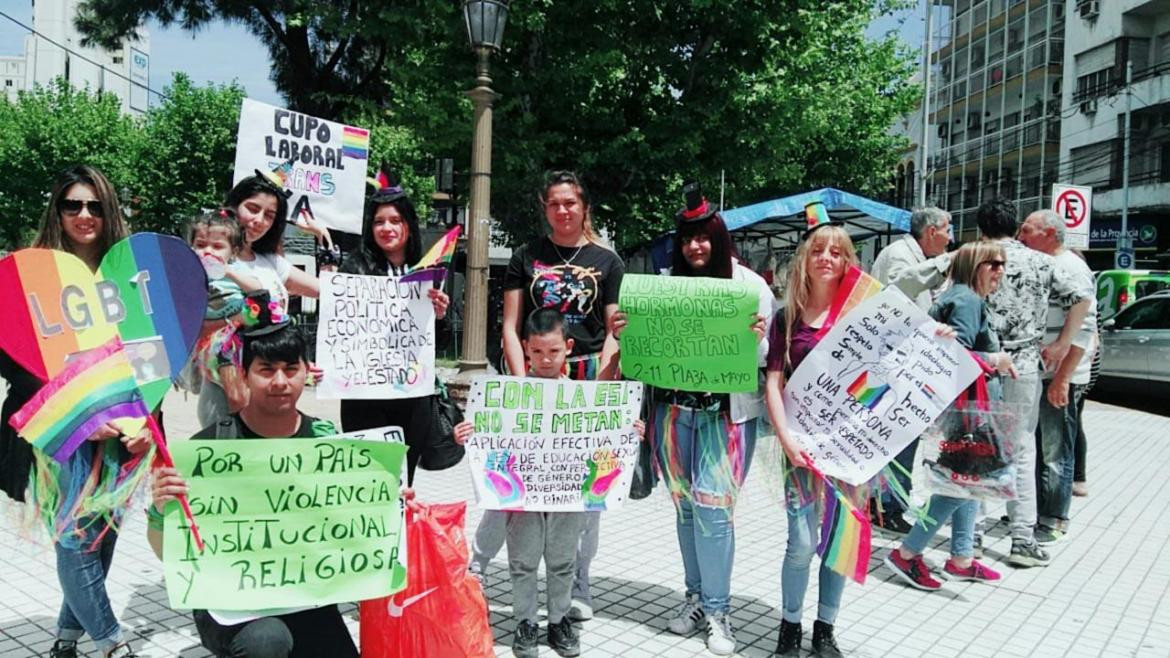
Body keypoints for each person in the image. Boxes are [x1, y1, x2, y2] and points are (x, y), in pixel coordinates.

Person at [609, 182, 771, 655]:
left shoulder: (750, 287)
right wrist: (626, 331)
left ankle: (719, 610)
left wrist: (758, 338)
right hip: (674, 413)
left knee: (714, 513)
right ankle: (695, 597)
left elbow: (765, 358)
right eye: (687, 238)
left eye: (703, 237)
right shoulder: (664, 287)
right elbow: (642, 352)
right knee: (685, 509)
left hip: (726, 418)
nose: (695, 246)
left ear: (719, 238)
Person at [0, 165, 152, 658]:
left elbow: (153, 354)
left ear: (109, 211)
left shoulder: (131, 277)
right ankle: (111, 643)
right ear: (57, 211)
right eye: (73, 205)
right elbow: (14, 361)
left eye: (95, 205)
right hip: (60, 433)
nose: (84, 215)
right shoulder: (30, 275)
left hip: (123, 431)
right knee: (75, 538)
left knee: (102, 537)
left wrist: (144, 421)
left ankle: (65, 640)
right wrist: (80, 415)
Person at [148, 321, 360, 658]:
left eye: (291, 369)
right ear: (244, 375)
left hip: (303, 594)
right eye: (267, 370)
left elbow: (358, 526)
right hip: (230, 603)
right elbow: (166, 553)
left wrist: (392, 507)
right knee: (267, 642)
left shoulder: (326, 443)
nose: (280, 382)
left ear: (307, 372)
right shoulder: (209, 448)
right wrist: (161, 511)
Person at [469, 171, 624, 621]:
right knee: (511, 479)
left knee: (586, 489)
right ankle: (476, 568)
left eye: (570, 203)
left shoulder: (608, 261)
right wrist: (524, 386)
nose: (562, 211)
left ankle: (579, 580)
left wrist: (601, 387)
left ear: (584, 207)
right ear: (545, 207)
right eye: (554, 203)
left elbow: (614, 328)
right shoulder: (525, 256)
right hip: (531, 376)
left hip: (587, 376)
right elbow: (510, 326)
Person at [454, 309, 641, 658]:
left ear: (568, 347)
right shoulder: (507, 398)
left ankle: (558, 621)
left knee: (562, 560)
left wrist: (628, 431)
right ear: (525, 349)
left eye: (553, 351)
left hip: (566, 496)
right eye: (537, 352)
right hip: (524, 497)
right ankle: (525, 621)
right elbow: (487, 436)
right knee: (522, 561)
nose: (545, 359)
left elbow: (606, 436)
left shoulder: (585, 399)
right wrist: (467, 432)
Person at [884, 242, 1016, 591]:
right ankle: (908, 553)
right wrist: (995, 360)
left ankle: (961, 558)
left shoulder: (958, 295)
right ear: (975, 264)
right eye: (994, 264)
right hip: (965, 407)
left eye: (1003, 264)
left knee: (969, 483)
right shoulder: (968, 301)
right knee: (962, 484)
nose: (1000, 270)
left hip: (958, 406)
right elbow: (955, 353)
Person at [976, 197, 1092, 567]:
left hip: (982, 365)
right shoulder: (1043, 262)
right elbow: (1082, 298)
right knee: (1022, 450)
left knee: (976, 445)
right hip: (1024, 366)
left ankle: (971, 535)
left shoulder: (971, 258)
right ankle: (1022, 539)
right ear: (1014, 228)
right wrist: (1061, 342)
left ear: (981, 228)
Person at [765, 223, 857, 658]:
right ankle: (789, 625)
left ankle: (825, 628)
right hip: (799, 448)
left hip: (849, 451)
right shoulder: (787, 317)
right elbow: (773, 384)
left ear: (846, 262)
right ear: (805, 257)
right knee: (801, 542)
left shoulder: (860, 317)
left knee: (838, 542)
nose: (826, 258)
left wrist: (940, 336)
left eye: (836, 253)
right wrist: (786, 441)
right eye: (818, 250)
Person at [338, 167, 449, 486]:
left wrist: (438, 315)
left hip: (412, 396)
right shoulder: (355, 267)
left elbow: (433, 344)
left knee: (404, 482)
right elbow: (339, 327)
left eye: (395, 221)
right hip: (365, 396)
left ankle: (400, 535)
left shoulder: (429, 268)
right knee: (368, 482)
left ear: (408, 226)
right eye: (379, 221)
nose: (387, 228)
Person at [195, 173, 324, 427]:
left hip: (272, 386)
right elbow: (191, 327)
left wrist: (321, 237)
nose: (258, 221)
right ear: (233, 206)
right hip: (226, 391)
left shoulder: (271, 262)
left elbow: (329, 291)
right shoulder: (207, 260)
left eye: (269, 215)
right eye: (252, 209)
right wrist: (235, 318)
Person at [868, 206, 953, 534]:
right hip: (893, 363)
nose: (949, 239)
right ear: (932, 231)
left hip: (908, 363)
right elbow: (903, 291)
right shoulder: (900, 256)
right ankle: (885, 505)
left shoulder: (912, 254)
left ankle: (890, 501)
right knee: (898, 434)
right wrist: (946, 263)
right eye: (947, 230)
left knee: (903, 432)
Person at [1017, 209, 1097, 544]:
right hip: (1044, 371)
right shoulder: (1044, 264)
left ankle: (1052, 518)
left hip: (1059, 375)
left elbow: (1085, 327)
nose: (1021, 237)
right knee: (1039, 446)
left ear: (1049, 233)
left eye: (1027, 231)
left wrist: (1063, 378)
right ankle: (1038, 512)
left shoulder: (1069, 268)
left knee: (1054, 450)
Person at [186, 210, 265, 412]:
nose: (208, 252)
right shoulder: (189, 277)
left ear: (234, 252)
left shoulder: (235, 273)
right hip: (211, 341)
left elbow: (257, 288)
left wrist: (227, 271)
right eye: (201, 245)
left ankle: (241, 406)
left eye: (218, 247)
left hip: (238, 336)